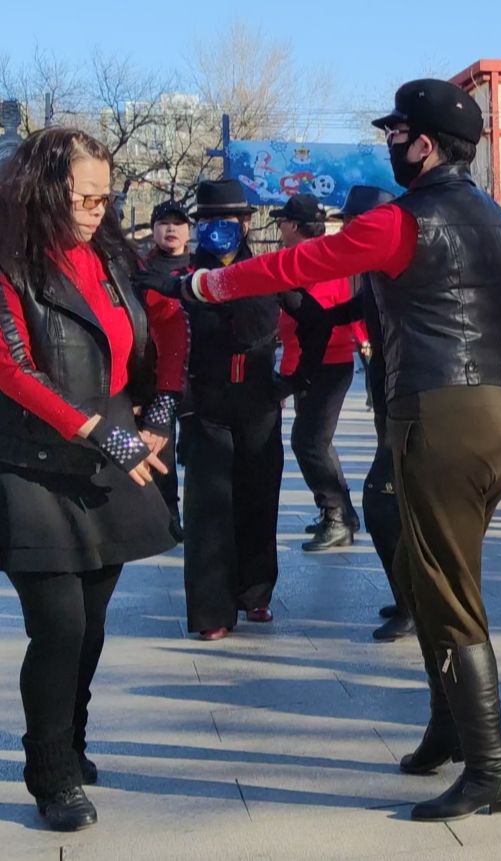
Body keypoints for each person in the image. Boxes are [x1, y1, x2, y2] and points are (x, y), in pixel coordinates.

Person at [143, 79, 501, 821]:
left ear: (425, 143)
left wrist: (210, 283)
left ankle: (490, 767)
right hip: (494, 415)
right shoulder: (491, 217)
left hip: (437, 415)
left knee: (445, 587)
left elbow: (293, 267)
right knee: (421, 568)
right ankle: (447, 727)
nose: (389, 145)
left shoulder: (404, 221)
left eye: (396, 133)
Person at [0, 128, 183, 831]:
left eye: (106, 196)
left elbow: (164, 319)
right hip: (31, 459)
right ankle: (47, 769)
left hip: (107, 452)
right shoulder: (9, 259)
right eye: (85, 197)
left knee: (94, 620)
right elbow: (13, 368)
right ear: (44, 190)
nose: (98, 210)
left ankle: (72, 740)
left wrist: (163, 399)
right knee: (60, 624)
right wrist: (94, 427)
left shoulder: (108, 254)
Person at [166, 178, 288, 641]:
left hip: (258, 397)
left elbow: (309, 317)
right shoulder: (183, 278)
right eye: (212, 220)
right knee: (208, 506)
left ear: (247, 223)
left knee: (259, 497)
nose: (221, 228)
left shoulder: (267, 270)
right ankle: (211, 610)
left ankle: (254, 593)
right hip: (206, 399)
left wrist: (294, 378)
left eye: (231, 220)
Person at [304, 184, 415, 641]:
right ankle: (408, 594)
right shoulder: (374, 272)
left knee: (387, 502)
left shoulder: (405, 269)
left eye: (354, 222)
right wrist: (321, 316)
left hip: (413, 396)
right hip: (388, 391)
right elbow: (360, 307)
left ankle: (414, 603)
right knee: (392, 502)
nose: (349, 230)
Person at [268, 193, 365, 551]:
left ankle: (337, 517)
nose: (278, 228)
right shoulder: (304, 258)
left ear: (293, 226)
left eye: (280, 222)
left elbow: (316, 322)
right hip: (312, 362)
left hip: (325, 363)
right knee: (316, 441)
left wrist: (293, 378)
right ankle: (341, 512)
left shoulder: (318, 259)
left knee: (308, 442)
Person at [141, 200, 192, 527]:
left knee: (198, 446)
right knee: (160, 444)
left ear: (189, 230)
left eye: (178, 222)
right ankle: (165, 514)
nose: (171, 229)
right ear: (153, 229)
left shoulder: (203, 267)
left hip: (199, 372)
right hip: (155, 375)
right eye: (163, 222)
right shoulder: (138, 269)